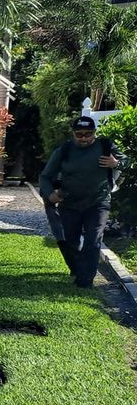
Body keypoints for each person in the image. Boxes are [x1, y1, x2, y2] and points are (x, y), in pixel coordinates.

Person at [39, 116, 122, 288]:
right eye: (79, 134)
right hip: (70, 203)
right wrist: (50, 194)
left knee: (93, 238)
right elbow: (45, 176)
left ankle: (85, 281)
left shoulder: (106, 146)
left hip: (98, 202)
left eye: (88, 134)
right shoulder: (65, 150)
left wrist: (116, 163)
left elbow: (128, 162)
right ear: (73, 134)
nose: (83, 137)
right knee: (70, 242)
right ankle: (77, 270)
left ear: (94, 133)